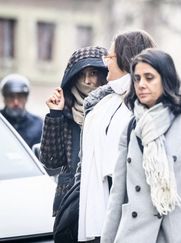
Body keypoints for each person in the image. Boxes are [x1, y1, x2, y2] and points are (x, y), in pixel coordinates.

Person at [100, 48, 181, 243]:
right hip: (136, 234)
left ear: (165, 80)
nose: (141, 84)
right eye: (137, 78)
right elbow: (118, 193)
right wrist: (107, 239)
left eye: (149, 78)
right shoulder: (132, 128)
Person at [76, 30, 156, 242]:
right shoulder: (104, 103)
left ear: (124, 58)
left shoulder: (149, 102)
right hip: (100, 207)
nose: (106, 63)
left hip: (133, 210)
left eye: (109, 58)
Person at [39, 46, 108, 217]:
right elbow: (51, 161)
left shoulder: (112, 110)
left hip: (103, 198)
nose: (86, 80)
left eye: (92, 73)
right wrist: (55, 114)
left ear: (103, 75)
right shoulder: (65, 111)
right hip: (70, 200)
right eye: (80, 74)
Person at [0, 74, 43, 148]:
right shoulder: (1, 120)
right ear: (4, 98)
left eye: (20, 97)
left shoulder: (38, 124)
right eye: (11, 96)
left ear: (26, 98)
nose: (16, 102)